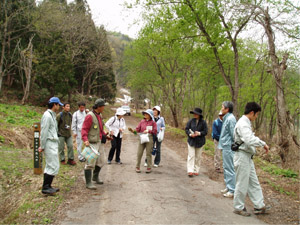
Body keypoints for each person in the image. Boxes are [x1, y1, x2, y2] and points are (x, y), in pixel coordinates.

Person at [233, 102, 270, 216]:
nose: (257, 117)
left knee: (254, 182)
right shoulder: (243, 123)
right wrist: (262, 143)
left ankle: (259, 206)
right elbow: (249, 139)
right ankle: (238, 207)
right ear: (252, 112)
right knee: (242, 183)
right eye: (257, 114)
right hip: (242, 156)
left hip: (248, 156)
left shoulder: (246, 122)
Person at [38, 97, 63, 195]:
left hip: (53, 142)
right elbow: (44, 131)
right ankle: (46, 187)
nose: (59, 107)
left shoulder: (52, 115)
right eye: (58, 105)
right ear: (54, 105)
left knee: (53, 165)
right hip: (49, 142)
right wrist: (42, 145)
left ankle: (48, 186)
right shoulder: (47, 116)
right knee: (52, 164)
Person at [81, 98, 107, 190]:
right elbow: (84, 129)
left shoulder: (99, 115)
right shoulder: (90, 116)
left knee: (102, 160)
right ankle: (88, 182)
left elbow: (100, 129)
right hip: (91, 142)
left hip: (99, 141)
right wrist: (85, 139)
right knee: (90, 162)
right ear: (99, 107)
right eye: (103, 106)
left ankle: (95, 176)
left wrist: (105, 135)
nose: (104, 108)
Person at [218, 101, 236, 198]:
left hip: (229, 147)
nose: (221, 109)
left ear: (227, 109)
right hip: (224, 146)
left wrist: (232, 146)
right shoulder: (226, 118)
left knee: (230, 168)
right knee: (225, 167)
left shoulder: (231, 119)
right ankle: (228, 186)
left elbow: (234, 134)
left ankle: (232, 189)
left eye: (222, 107)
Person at [185, 108, 208, 177]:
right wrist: (190, 134)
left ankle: (196, 170)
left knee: (198, 157)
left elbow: (205, 132)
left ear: (199, 115)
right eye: (194, 113)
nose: (194, 114)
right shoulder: (191, 121)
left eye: (196, 113)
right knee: (191, 156)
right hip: (191, 141)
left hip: (200, 142)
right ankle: (190, 170)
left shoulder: (203, 122)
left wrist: (199, 133)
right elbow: (186, 129)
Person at [135, 109, 157, 173]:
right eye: (144, 114)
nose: (145, 115)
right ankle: (137, 166)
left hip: (149, 138)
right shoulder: (142, 121)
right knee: (139, 153)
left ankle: (149, 167)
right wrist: (134, 131)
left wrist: (149, 131)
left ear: (150, 115)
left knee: (148, 153)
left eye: (147, 114)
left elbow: (155, 131)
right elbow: (138, 129)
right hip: (142, 137)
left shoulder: (153, 123)